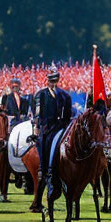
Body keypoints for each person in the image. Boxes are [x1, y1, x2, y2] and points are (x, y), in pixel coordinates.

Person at [33, 65, 72, 199]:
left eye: (55, 80)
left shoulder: (65, 96)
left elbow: (67, 115)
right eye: (51, 80)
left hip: (60, 127)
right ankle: (45, 170)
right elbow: (38, 114)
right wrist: (37, 127)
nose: (53, 83)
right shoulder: (41, 95)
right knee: (45, 144)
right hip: (46, 127)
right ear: (47, 81)